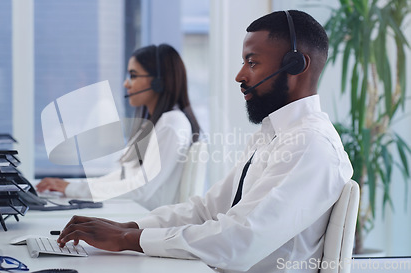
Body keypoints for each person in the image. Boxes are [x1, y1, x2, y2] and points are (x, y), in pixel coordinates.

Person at [55, 10, 354, 273]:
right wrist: (130, 228)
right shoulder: (271, 135)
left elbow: (241, 241)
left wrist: (129, 239)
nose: (239, 75)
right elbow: (207, 210)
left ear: (295, 65)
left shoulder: (311, 145)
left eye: (252, 62)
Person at [36, 44, 201, 210]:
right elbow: (124, 176)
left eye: (133, 76)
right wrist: (72, 187)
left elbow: (140, 189)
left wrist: (74, 189)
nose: (126, 84)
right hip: (134, 213)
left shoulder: (171, 124)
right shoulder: (155, 123)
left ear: (158, 82)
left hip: (144, 218)